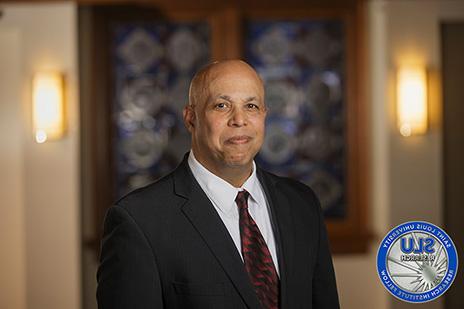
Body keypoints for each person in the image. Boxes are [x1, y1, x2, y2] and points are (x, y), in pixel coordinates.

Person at [97, 60, 340, 309]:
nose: (239, 120)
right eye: (222, 105)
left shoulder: (301, 203)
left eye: (251, 106)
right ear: (191, 118)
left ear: (264, 115)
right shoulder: (139, 221)